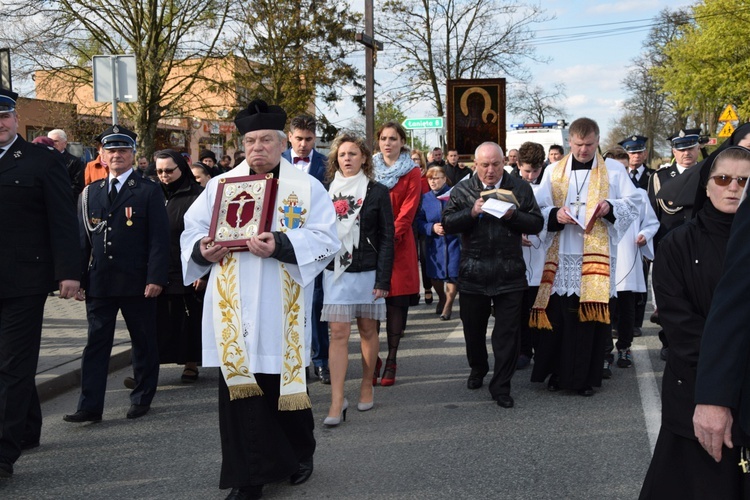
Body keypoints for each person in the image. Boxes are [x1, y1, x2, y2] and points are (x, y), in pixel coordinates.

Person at [180, 99, 338, 500]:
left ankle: (300, 454)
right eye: (251, 140)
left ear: (283, 143)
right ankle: (247, 478)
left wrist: (282, 244)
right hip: (232, 303)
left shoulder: (306, 187)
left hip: (280, 301)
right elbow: (191, 232)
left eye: (266, 140)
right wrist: (204, 250)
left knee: (284, 383)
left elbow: (326, 239)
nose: (257, 148)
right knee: (240, 391)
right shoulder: (219, 186)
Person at [640, 146, 750, 499]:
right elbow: (678, 322)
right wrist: (721, 379)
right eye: (723, 179)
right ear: (706, 185)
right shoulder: (677, 244)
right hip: (694, 384)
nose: (733, 188)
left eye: (744, 181)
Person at [64, 125, 170, 423]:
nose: (117, 155)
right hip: (100, 280)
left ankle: (142, 396)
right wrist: (80, 279)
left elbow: (159, 240)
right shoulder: (90, 193)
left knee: (143, 341)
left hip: (138, 281)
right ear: (101, 155)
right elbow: (83, 240)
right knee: (96, 344)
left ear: (133, 155)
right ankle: (89, 406)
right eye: (111, 151)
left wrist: (156, 277)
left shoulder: (148, 190)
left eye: (123, 150)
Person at [0, 89, 81, 479]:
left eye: (4, 115)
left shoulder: (41, 160)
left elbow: (63, 221)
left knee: (14, 364)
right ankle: (27, 427)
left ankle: (2, 453)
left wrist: (69, 272)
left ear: (15, 119)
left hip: (24, 281)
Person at [530, 117, 640, 397]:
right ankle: (556, 374)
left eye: (589, 145)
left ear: (598, 140)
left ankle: (584, 378)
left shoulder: (613, 170)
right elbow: (538, 209)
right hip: (562, 254)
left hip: (596, 256)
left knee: (586, 321)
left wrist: (609, 206)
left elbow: (633, 202)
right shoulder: (554, 171)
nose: (583, 150)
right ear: (570, 141)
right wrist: (556, 214)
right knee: (558, 318)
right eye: (578, 145)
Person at [442, 142, 543, 408]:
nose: (490, 170)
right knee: (473, 330)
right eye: (484, 165)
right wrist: (472, 212)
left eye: (495, 164)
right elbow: (448, 223)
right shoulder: (463, 189)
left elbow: (536, 222)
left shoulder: (519, 187)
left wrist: (513, 215)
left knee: (507, 334)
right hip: (473, 272)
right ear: (475, 164)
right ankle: (478, 368)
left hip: (509, 272)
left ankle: (501, 385)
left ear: (504, 163)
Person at [322, 133, 394, 426]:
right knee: (338, 333)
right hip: (335, 271)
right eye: (342, 154)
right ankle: (337, 400)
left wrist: (383, 279)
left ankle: (366, 383)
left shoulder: (377, 192)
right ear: (335, 159)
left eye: (353, 153)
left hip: (367, 271)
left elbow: (388, 238)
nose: (347, 159)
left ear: (364, 157)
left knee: (367, 330)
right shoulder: (325, 190)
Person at [281, 115, 330, 384]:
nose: (302, 144)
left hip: (313, 243)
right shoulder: (276, 162)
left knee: (316, 304)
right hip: (281, 243)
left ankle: (321, 361)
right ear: (289, 136)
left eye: (308, 139)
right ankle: (293, 362)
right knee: (285, 305)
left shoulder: (325, 165)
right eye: (298, 138)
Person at [372, 121, 421, 386]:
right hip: (372, 244)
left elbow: (409, 210)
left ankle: (391, 358)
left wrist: (390, 237)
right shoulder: (368, 169)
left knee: (395, 303)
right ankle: (373, 356)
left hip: (399, 245)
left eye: (393, 138)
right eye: (383, 138)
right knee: (372, 303)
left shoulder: (412, 172)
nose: (388, 143)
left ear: (402, 142)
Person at [648, 128, 702, 360]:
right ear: (673, 151)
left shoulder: (709, 172)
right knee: (671, 298)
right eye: (681, 149)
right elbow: (652, 215)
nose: (686, 153)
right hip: (669, 247)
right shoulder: (659, 178)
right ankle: (669, 341)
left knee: (698, 296)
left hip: (701, 245)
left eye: (690, 147)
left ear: (698, 148)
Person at [154, 150, 205, 383]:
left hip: (187, 266)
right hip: (159, 266)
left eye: (169, 171)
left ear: (181, 169)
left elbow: (206, 234)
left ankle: (191, 363)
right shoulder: (153, 193)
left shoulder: (197, 195)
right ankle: (149, 367)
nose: (164, 176)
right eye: (159, 171)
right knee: (158, 320)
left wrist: (202, 270)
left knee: (189, 318)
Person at [512, 141, 547, 370]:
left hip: (542, 254)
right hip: (516, 258)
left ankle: (541, 349)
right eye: (527, 171)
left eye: (536, 170)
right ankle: (523, 350)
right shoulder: (509, 184)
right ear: (517, 164)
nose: (532, 175)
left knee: (540, 306)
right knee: (520, 308)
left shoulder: (549, 185)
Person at [416, 167, 461, 320]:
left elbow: (464, 215)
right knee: (435, 275)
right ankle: (441, 297)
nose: (433, 181)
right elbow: (418, 221)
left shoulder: (455, 195)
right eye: (430, 179)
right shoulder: (425, 198)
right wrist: (431, 227)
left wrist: (453, 225)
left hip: (454, 241)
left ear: (444, 178)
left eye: (436, 178)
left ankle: (448, 305)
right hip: (434, 244)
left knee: (453, 274)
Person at [411, 148, 433, 305]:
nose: (414, 162)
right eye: (411, 159)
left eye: (416, 159)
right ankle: (414, 290)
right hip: (410, 221)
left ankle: (427, 288)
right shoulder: (406, 177)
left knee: (424, 258)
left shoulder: (427, 178)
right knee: (412, 258)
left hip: (424, 221)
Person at [48, 128, 85, 200]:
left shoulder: (74, 162)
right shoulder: (44, 160)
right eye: (50, 141)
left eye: (55, 141)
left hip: (66, 202)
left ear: (65, 144)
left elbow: (78, 186)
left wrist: (58, 193)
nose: (52, 144)